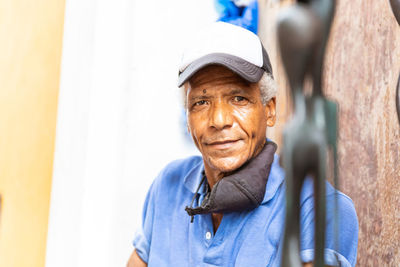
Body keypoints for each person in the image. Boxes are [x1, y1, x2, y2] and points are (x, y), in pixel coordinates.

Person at [127, 22, 358, 267]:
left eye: (238, 99)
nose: (218, 120)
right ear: (187, 118)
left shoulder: (317, 209)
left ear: (269, 110)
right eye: (201, 102)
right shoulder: (168, 187)